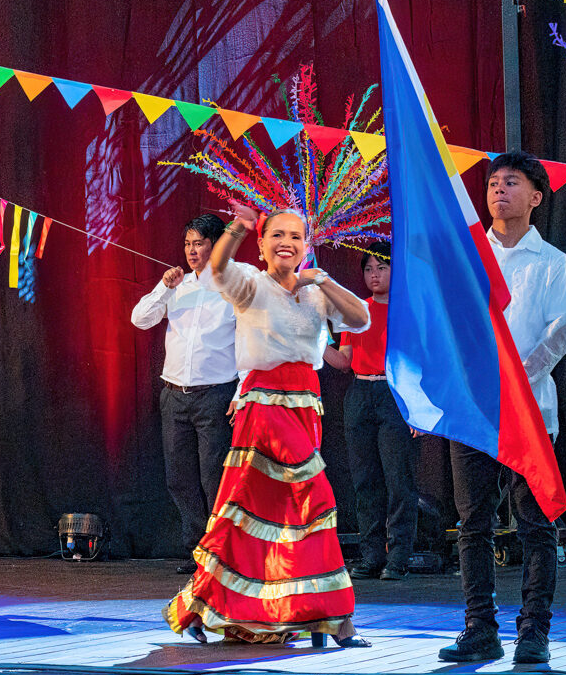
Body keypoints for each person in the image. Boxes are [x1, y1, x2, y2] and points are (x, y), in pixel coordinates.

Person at [164, 203, 370, 646]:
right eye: (277, 235)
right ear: (261, 245)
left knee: (257, 514)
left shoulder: (317, 290)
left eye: (296, 237)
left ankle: (209, 605)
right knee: (315, 500)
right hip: (263, 406)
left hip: (305, 407)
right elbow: (218, 267)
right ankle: (339, 618)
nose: (286, 244)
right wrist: (239, 226)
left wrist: (326, 281)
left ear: (306, 246)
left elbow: (360, 320)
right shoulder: (250, 285)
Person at [439, 152, 566, 665]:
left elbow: (561, 329)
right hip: (472, 410)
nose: (499, 190)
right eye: (493, 182)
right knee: (472, 523)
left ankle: (533, 632)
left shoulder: (553, 263)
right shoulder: (468, 259)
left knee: (535, 524)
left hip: (529, 413)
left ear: (536, 197)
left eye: (511, 182)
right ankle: (480, 628)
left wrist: (516, 380)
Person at [130, 214, 238, 574]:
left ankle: (220, 550)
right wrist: (164, 287)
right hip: (175, 394)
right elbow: (139, 319)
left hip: (216, 394)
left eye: (200, 243)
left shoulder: (233, 286)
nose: (192, 251)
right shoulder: (178, 285)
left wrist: (243, 389)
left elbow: (249, 341)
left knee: (213, 476)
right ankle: (197, 548)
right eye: (188, 244)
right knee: (179, 476)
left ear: (216, 244)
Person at [321, 242, 415, 581]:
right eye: (369, 269)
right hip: (360, 392)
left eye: (382, 268)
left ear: (395, 270)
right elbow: (344, 362)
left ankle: (400, 555)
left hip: (395, 392)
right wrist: (319, 341)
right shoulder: (356, 311)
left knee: (397, 479)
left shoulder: (407, 309)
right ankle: (371, 555)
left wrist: (415, 407)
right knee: (364, 479)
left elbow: (418, 362)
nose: (374, 275)